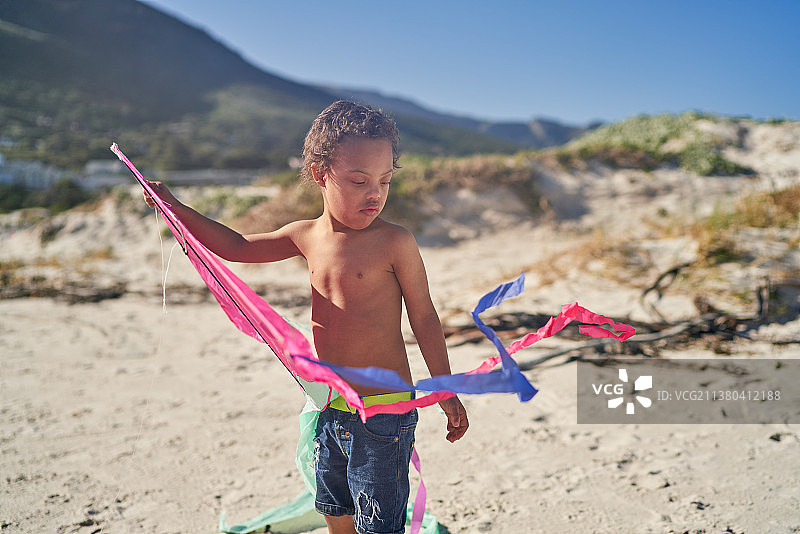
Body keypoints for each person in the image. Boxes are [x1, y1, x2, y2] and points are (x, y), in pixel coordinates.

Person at [143, 100, 468, 534]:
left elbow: (424, 317)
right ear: (319, 173)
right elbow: (237, 247)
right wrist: (176, 209)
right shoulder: (305, 235)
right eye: (358, 180)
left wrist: (444, 389)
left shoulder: (395, 242)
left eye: (385, 181)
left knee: (379, 522)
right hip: (329, 405)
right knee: (335, 509)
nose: (375, 193)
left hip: (384, 411)